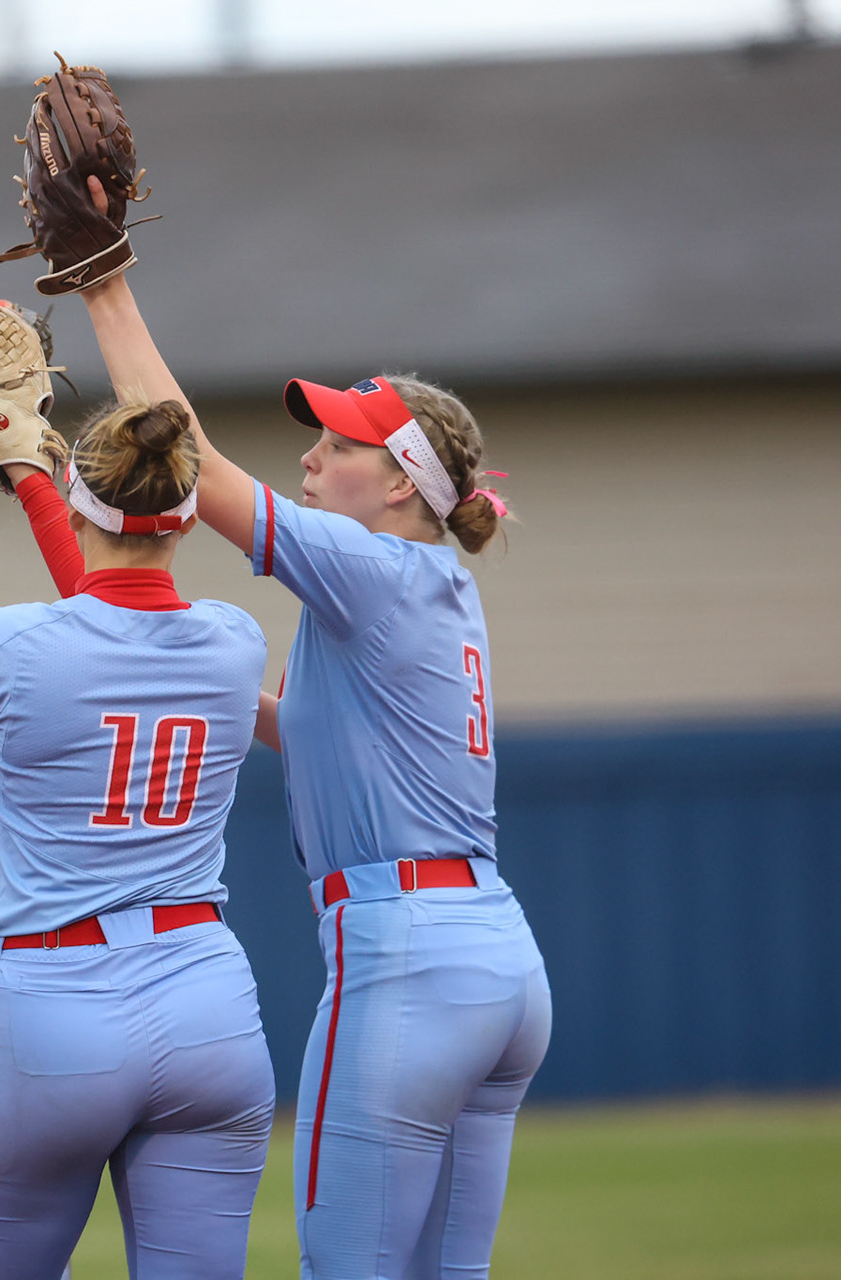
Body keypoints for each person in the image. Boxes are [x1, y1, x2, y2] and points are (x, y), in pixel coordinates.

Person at [70, 227, 551, 1280]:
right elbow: (326, 730)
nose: (312, 456)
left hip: (407, 952)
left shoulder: (375, 565)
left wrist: (103, 287)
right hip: (497, 957)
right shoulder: (434, 585)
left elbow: (186, 453)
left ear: (398, 482)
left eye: (340, 443)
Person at [0, 412, 275, 1278]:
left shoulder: (13, 645)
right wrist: (35, 477)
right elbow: (117, 618)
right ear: (183, 516)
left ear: (80, 510)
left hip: (52, 998)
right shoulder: (233, 639)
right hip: (205, 995)